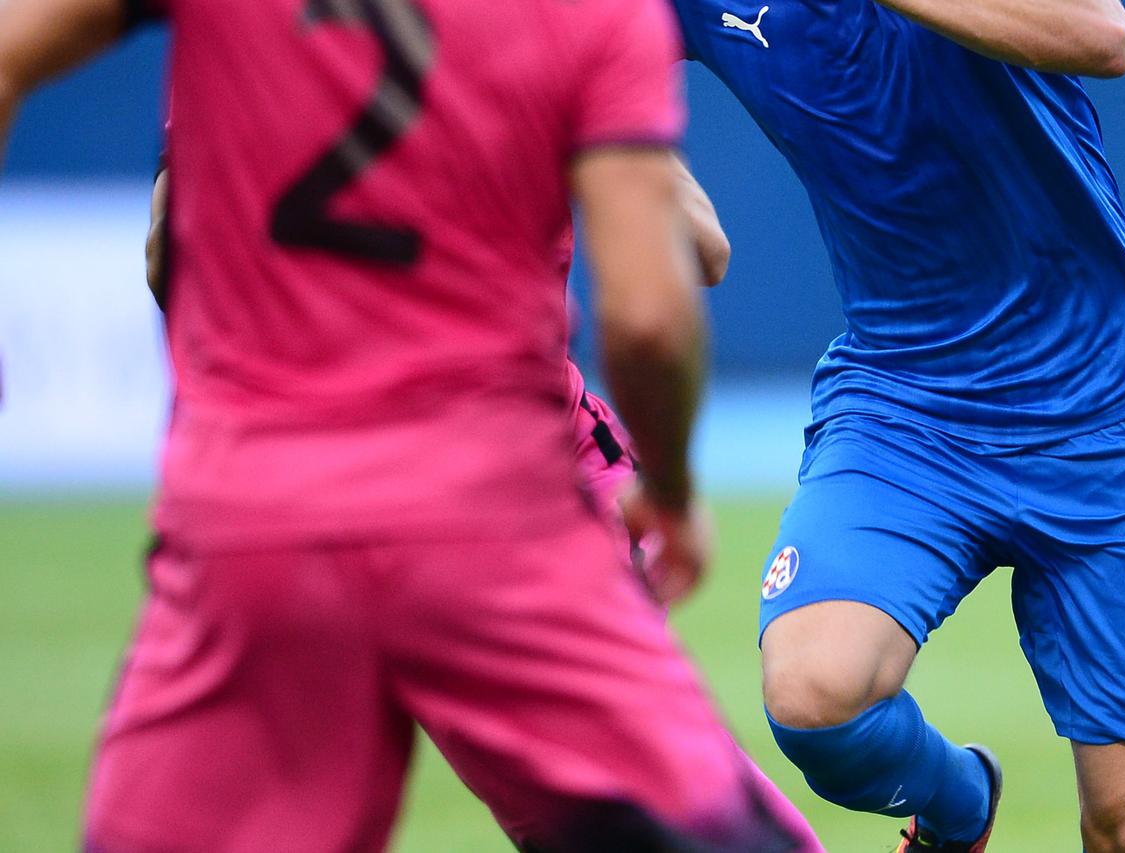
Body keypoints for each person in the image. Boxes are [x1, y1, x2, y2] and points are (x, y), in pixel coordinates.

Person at [0, 0, 812, 849]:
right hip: (493, 511)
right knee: (674, 823)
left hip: (256, 506)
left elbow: (166, 242)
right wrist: (675, 490)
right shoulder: (586, 14)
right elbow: (660, 303)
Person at [144, 157, 826, 851]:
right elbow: (700, 255)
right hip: (519, 479)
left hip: (317, 483)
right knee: (628, 788)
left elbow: (169, 258)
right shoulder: (566, 44)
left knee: (599, 797)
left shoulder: (251, 56)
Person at [667, 0, 1125, 851]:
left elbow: (1104, 35)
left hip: (1108, 409)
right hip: (905, 404)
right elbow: (544, 48)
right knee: (815, 693)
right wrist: (641, 169)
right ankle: (961, 806)